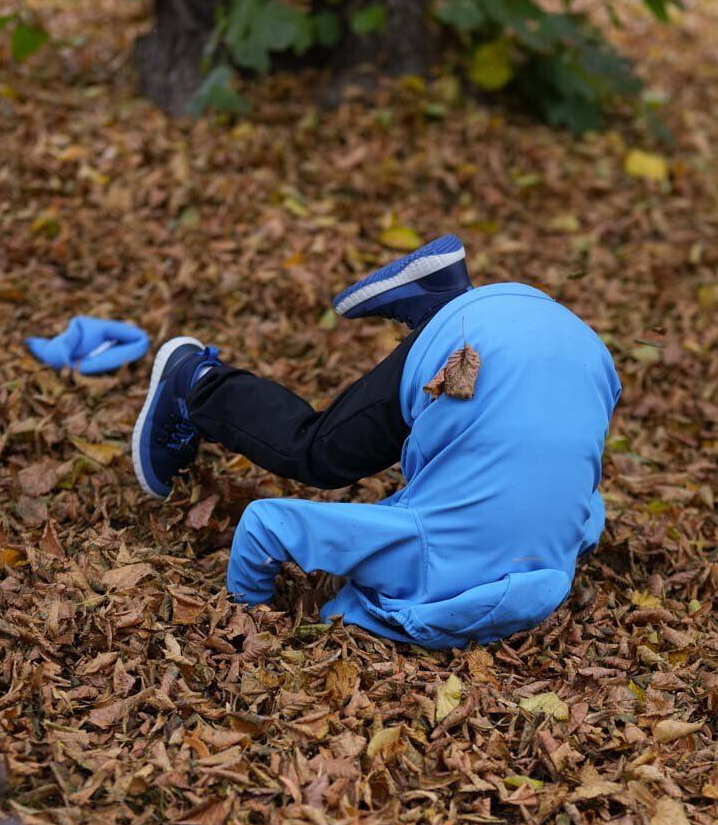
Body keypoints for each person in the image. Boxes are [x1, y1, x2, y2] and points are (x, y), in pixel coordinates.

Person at [130, 235, 621, 649]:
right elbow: (265, 524)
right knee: (317, 454)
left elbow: (586, 505)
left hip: (584, 353)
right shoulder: (422, 554)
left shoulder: (560, 554)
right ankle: (194, 383)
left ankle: (445, 296)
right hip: (482, 341)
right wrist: (246, 616)